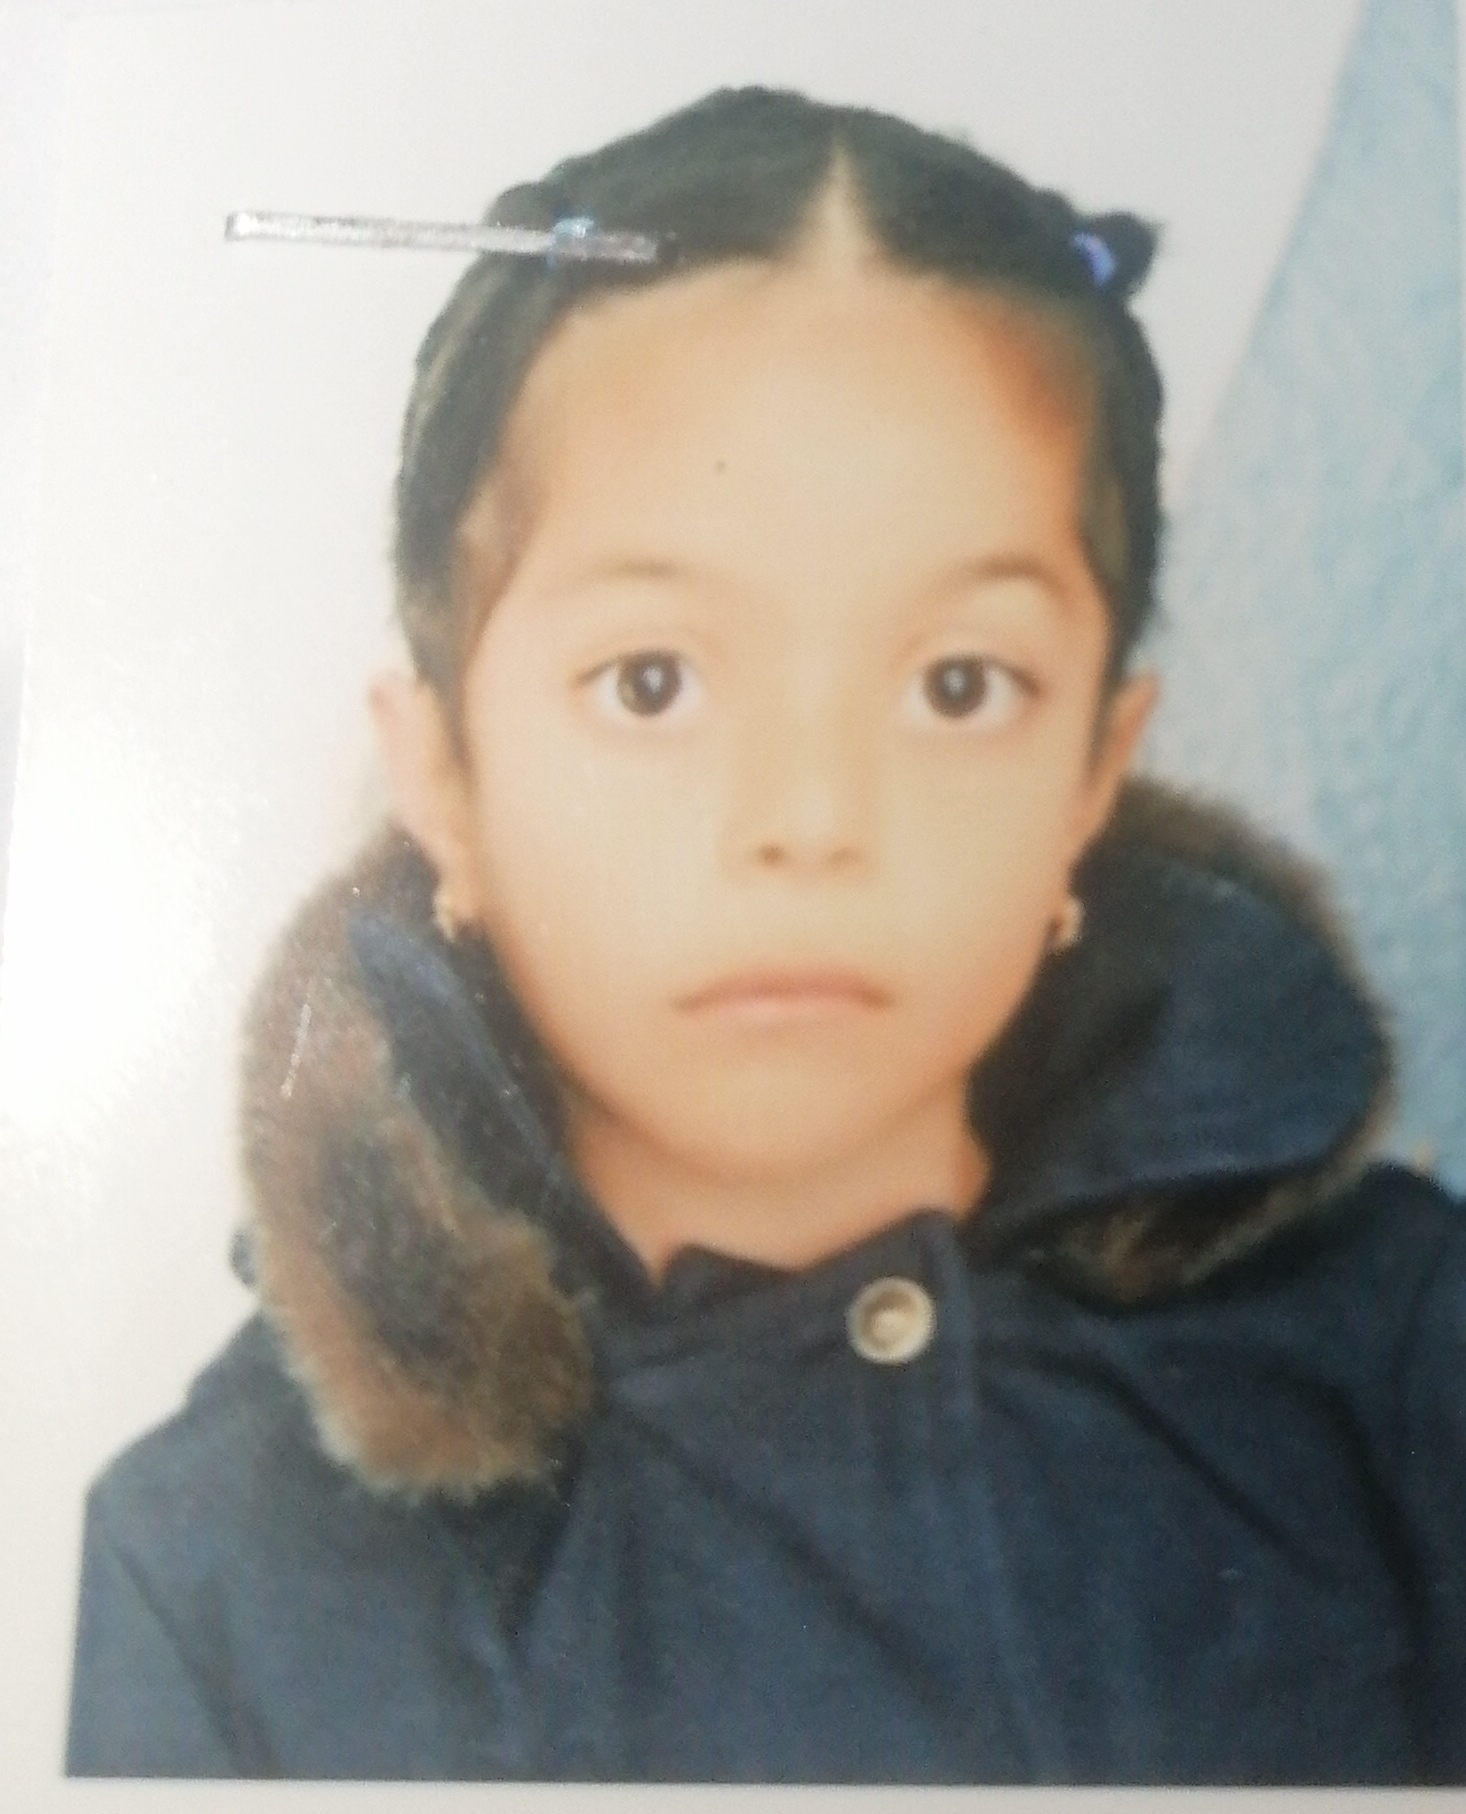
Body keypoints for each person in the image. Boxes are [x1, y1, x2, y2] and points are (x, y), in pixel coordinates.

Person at [65, 86, 1465, 1782]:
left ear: (1092, 775)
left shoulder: (1405, 1355)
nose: (809, 815)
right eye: (652, 682)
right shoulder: (210, 1579)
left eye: (959, 685)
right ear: (443, 777)